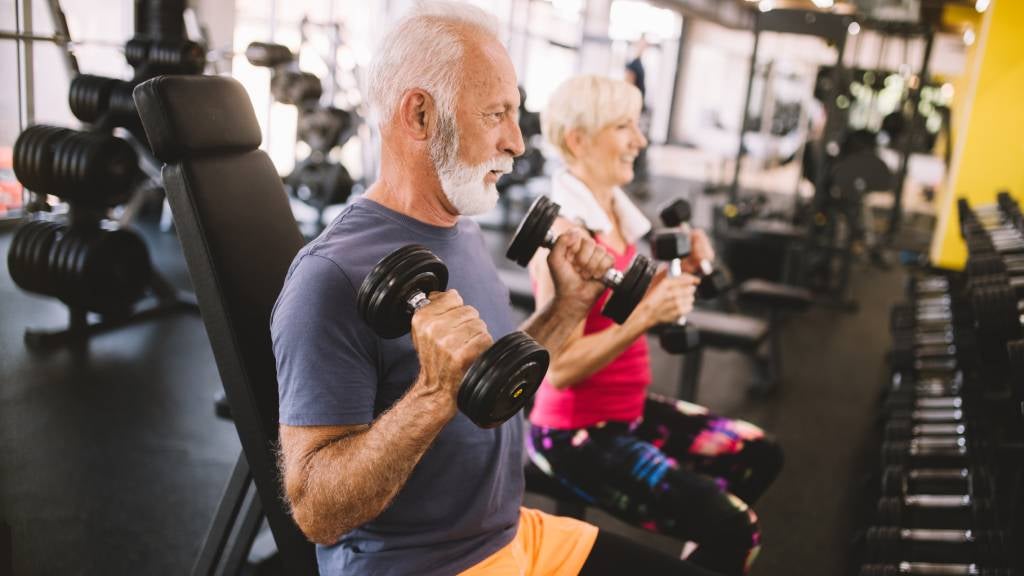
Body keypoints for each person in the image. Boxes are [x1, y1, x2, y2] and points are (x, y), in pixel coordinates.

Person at [272, 3, 725, 575]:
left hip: (513, 533)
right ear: (420, 116)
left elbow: (493, 382)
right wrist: (432, 395)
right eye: (497, 114)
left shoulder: (458, 229)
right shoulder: (328, 277)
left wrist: (567, 308)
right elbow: (316, 512)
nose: (516, 141)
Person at [526, 75, 784, 576]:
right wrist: (648, 314)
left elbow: (618, 300)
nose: (640, 140)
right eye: (624, 126)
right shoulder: (566, 237)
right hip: (577, 434)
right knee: (735, 529)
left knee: (759, 454)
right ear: (579, 139)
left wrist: (676, 276)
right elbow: (558, 369)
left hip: (627, 410)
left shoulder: (615, 215)